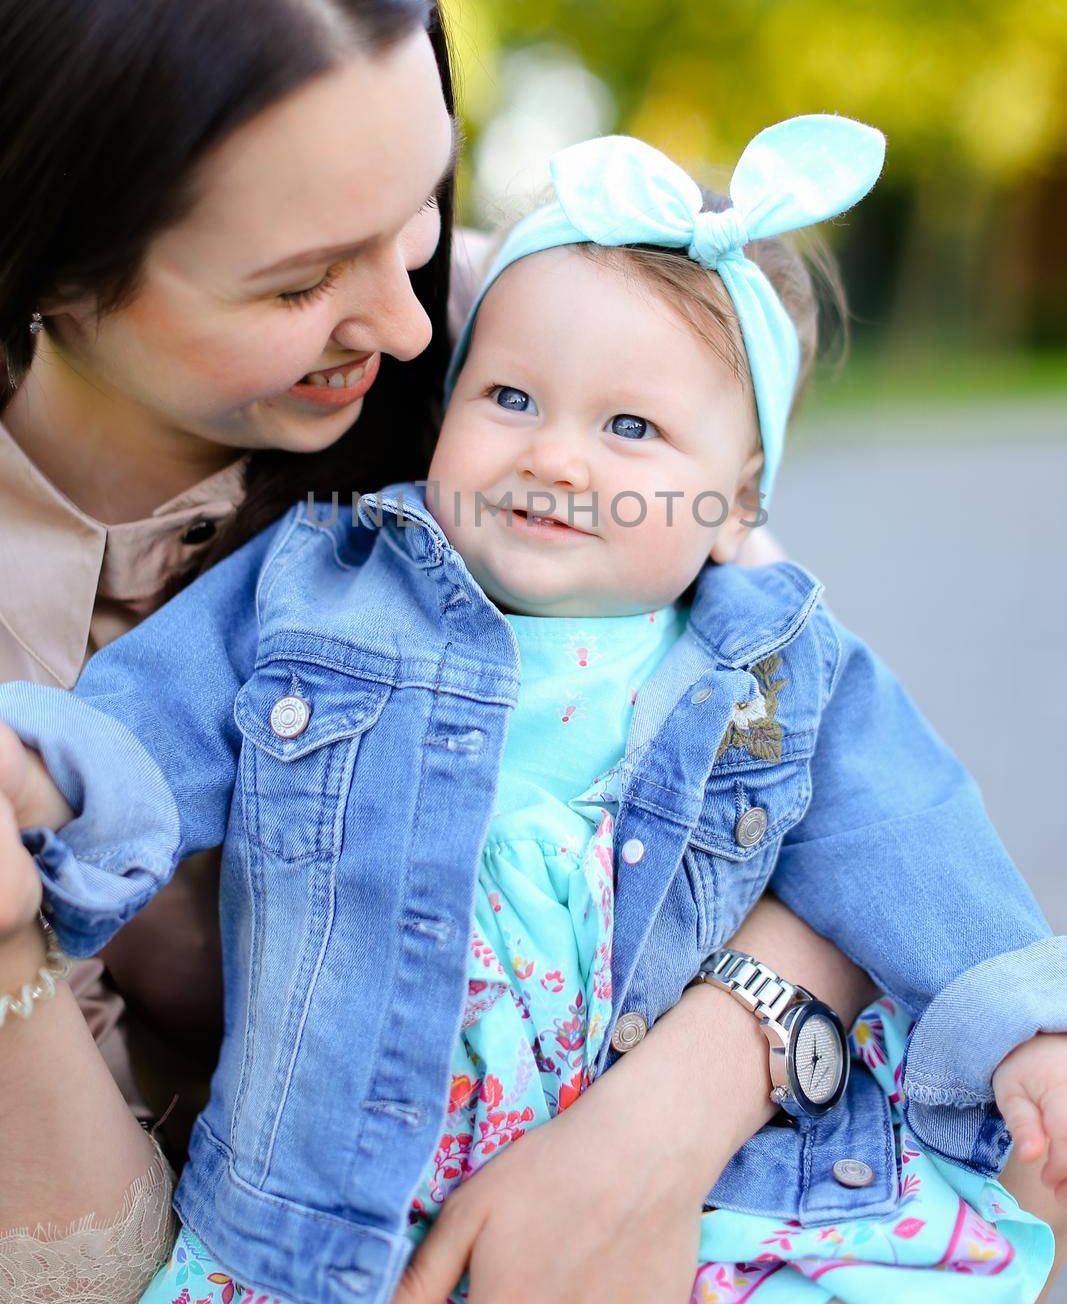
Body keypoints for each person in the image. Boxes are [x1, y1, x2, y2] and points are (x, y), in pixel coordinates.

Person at [0, 0, 878, 1304]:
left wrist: (648, 1137)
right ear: (55, 269)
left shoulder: (541, 349)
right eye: (298, 284)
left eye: (413, 216)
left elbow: (814, 772)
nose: (412, 328)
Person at [2, 119, 1064, 1304]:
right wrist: (39, 776)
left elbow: (910, 834)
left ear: (734, 497)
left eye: (629, 428)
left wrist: (1028, 1031)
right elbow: (143, 721)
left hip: (691, 1212)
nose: (554, 457)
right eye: (508, 396)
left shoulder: (775, 664)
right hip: (328, 1229)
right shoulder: (325, 587)